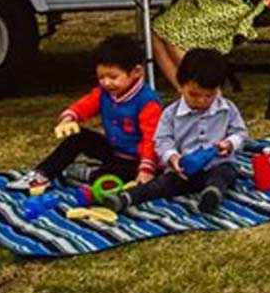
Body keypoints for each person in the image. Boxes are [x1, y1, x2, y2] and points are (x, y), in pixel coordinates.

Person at [6, 35, 162, 191]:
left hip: (137, 159)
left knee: (108, 180)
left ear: (136, 72)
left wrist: (146, 169)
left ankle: (89, 174)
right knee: (77, 138)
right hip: (114, 150)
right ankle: (42, 175)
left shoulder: (147, 102)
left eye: (113, 77)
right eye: (101, 77)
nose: (106, 82)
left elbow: (152, 139)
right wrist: (70, 116)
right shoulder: (105, 92)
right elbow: (87, 104)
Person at [103, 48, 247, 215]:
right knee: (161, 184)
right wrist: (173, 157)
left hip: (217, 163)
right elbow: (162, 140)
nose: (201, 101)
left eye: (209, 96)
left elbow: (241, 133)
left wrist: (229, 143)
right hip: (184, 171)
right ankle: (127, 197)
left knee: (225, 173)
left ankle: (212, 194)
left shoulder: (227, 109)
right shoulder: (171, 114)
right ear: (181, 86)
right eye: (194, 95)